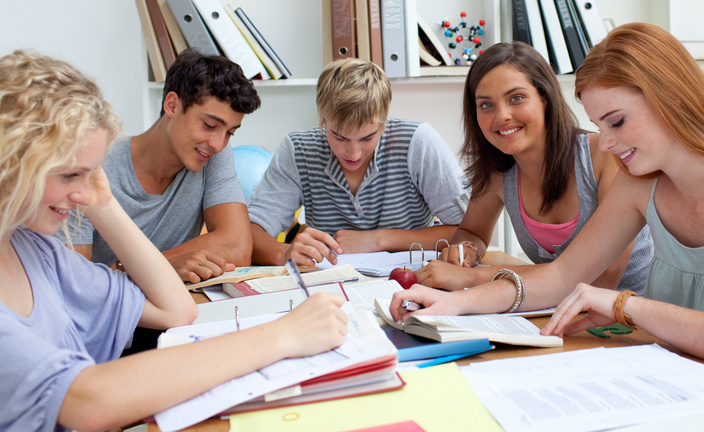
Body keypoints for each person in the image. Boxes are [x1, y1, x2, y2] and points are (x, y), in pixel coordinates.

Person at [0, 50, 349, 432]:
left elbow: (180, 309)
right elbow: (85, 401)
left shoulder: (36, 252)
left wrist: (103, 202)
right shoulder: (46, 247)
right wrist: (285, 335)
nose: (84, 193)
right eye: (70, 176)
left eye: (91, 175)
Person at [393, 23, 704, 373]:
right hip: (675, 374)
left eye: (617, 122)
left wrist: (628, 306)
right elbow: (561, 276)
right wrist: (454, 302)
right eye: (599, 125)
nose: (604, 142)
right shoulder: (639, 181)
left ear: (672, 97)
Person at [415, 41, 652, 294]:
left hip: (628, 318)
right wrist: (466, 252)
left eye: (516, 98)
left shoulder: (604, 156)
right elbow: (472, 231)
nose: (501, 115)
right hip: (551, 308)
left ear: (545, 98)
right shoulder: (498, 172)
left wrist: (473, 277)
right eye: (486, 104)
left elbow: (601, 278)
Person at [61, 48, 258, 284]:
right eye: (208, 124)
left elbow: (237, 247)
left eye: (230, 133)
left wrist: (142, 268)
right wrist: (160, 267)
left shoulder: (213, 153)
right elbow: (73, 283)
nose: (218, 143)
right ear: (172, 105)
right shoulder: (93, 164)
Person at [248, 58, 470, 266]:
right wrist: (285, 253)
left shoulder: (418, 143)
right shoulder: (298, 150)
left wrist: (378, 239)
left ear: (383, 123)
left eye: (367, 138)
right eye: (339, 137)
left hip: (411, 284)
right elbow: (250, 231)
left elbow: (468, 231)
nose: (353, 154)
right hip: (331, 286)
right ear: (323, 119)